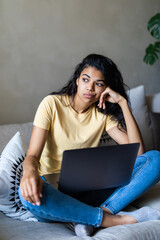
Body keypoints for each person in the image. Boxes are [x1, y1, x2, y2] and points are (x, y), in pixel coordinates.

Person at [19, 54, 160, 236]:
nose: (90, 88)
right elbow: (32, 156)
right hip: (55, 190)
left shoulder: (103, 115)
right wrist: (29, 173)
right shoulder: (51, 104)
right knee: (27, 198)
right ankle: (113, 219)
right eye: (86, 79)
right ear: (77, 80)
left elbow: (139, 154)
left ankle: (92, 216)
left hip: (91, 190)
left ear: (105, 89)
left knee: (155, 159)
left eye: (99, 84)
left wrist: (123, 103)